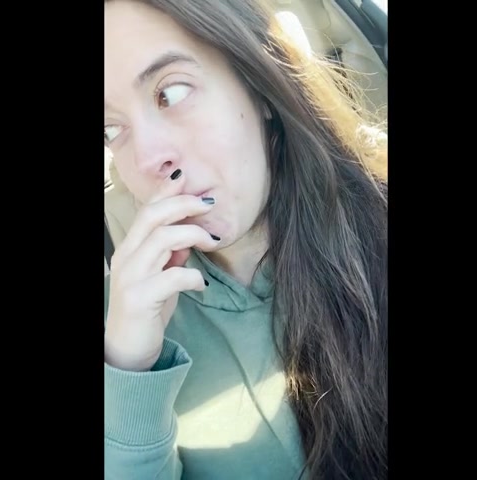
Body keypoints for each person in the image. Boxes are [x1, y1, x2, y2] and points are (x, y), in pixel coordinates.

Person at [103, 1, 388, 478]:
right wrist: (129, 370)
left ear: (258, 84)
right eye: (111, 130)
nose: (148, 158)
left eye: (171, 93)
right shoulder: (121, 321)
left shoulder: (376, 213)